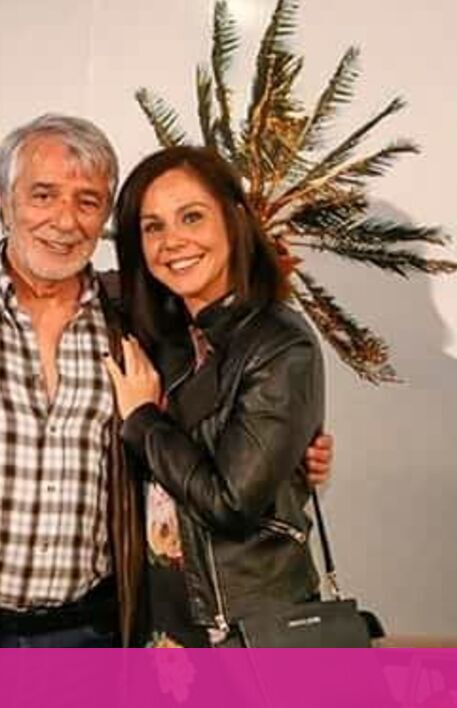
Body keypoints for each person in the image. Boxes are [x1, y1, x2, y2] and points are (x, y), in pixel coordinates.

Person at [0, 115, 333, 648]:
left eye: (88, 201)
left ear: (105, 216)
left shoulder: (137, 320)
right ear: (4, 200)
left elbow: (216, 424)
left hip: (96, 635)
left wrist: (293, 457)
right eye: (43, 195)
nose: (65, 221)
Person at [104, 146, 326, 647]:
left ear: (235, 219)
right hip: (163, 627)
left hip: (245, 631)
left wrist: (143, 418)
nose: (172, 241)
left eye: (192, 217)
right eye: (153, 227)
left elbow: (230, 504)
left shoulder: (279, 343)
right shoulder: (168, 337)